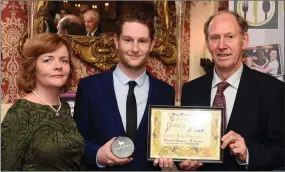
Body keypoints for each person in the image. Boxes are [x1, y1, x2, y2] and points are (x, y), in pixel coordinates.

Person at [180, 11, 284, 171]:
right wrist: (183, 163)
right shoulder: (191, 90)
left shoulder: (272, 90)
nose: (222, 45)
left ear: (244, 41)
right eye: (215, 38)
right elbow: (184, 143)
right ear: (207, 43)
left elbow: (281, 151)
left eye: (230, 36)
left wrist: (247, 153)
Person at [73, 11, 175, 171]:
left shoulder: (166, 92)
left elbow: (170, 144)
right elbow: (76, 142)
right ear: (116, 41)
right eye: (128, 40)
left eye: (142, 41)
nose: (135, 48)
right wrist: (98, 155)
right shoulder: (89, 88)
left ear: (152, 44)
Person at [1, 33, 85, 170]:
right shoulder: (21, 112)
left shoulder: (62, 107)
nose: (58, 66)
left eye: (64, 60)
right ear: (33, 66)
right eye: (48, 60)